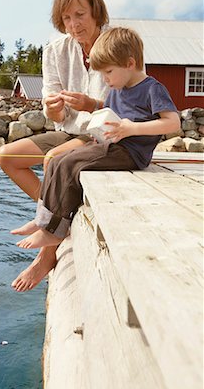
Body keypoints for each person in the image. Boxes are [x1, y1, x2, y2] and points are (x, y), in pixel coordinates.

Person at [12, 27, 181, 250]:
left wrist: (132, 129)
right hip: (109, 144)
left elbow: (173, 123)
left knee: (69, 165)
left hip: (130, 152)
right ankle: (42, 219)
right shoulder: (117, 89)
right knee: (56, 161)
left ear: (130, 63)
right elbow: (107, 113)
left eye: (108, 72)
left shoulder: (152, 88)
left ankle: (52, 232)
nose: (105, 79)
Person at [0, 0, 111, 292]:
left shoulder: (115, 44)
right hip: (69, 131)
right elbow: (56, 115)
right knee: (7, 157)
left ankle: (47, 253)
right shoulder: (55, 49)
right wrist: (54, 109)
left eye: (80, 15)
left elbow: (129, 101)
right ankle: (60, 216)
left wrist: (92, 103)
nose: (73, 25)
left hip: (104, 134)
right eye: (66, 18)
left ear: (96, 11)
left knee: (53, 160)